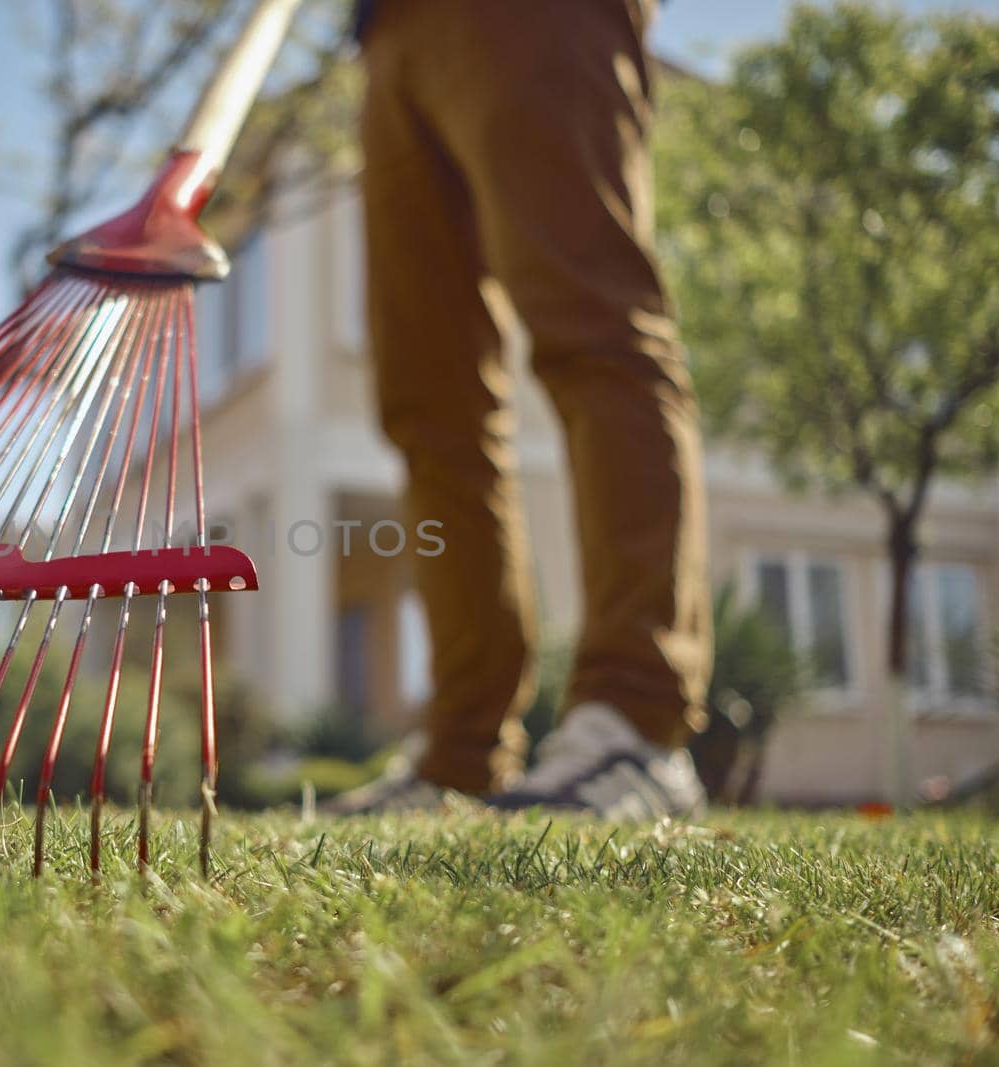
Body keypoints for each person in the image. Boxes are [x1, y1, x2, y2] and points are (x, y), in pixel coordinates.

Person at [332, 0, 712, 818]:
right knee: (428, 407)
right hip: (391, 33)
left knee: (597, 335)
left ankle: (637, 719)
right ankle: (461, 752)